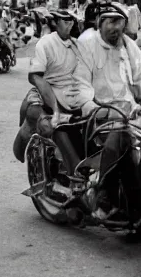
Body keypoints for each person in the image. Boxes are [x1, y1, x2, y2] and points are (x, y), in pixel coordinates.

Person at [74, 4, 141, 220]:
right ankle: (104, 195)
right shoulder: (86, 44)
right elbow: (81, 84)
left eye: (120, 22)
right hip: (99, 116)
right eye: (110, 22)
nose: (116, 28)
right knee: (121, 138)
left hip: (129, 112)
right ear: (100, 23)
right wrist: (96, 110)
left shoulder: (127, 44)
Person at [12, 9, 89, 173]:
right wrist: (54, 108)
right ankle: (73, 171)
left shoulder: (79, 45)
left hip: (74, 95)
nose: (70, 25)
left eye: (72, 21)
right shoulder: (45, 43)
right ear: (56, 22)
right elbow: (36, 77)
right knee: (50, 124)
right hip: (49, 92)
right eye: (65, 21)